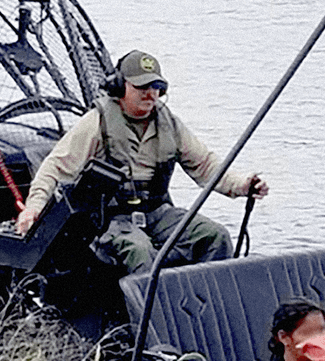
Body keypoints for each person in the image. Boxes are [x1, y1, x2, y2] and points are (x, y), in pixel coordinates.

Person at [15, 50, 268, 274]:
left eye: (155, 86)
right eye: (141, 87)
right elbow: (55, 167)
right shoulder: (97, 122)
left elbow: (206, 166)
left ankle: (210, 310)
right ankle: (150, 321)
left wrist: (243, 185)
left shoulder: (170, 124)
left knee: (215, 236)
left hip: (158, 212)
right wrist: (33, 208)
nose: (150, 94)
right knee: (140, 252)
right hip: (112, 218)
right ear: (119, 87)